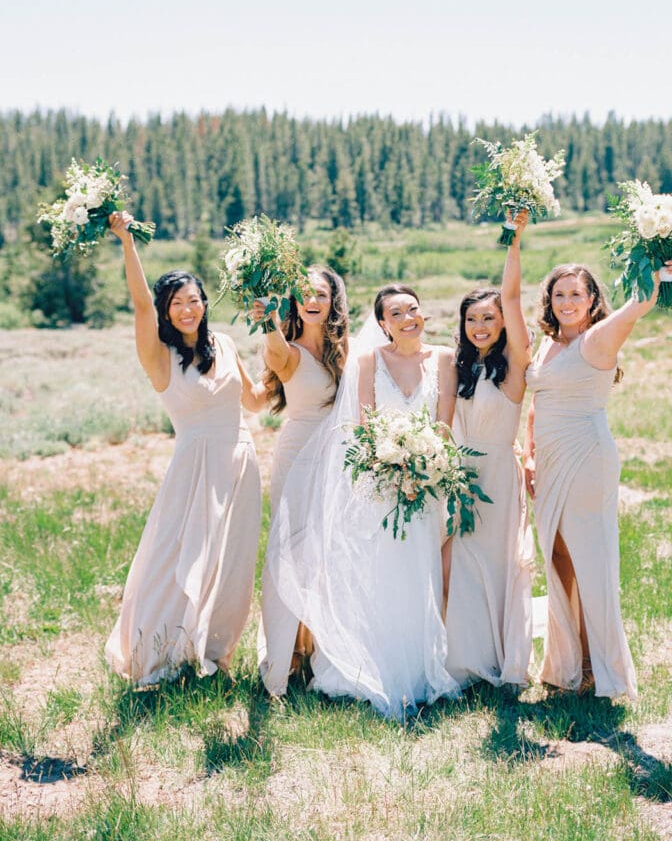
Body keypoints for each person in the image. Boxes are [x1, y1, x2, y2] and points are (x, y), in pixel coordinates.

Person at [265, 284, 461, 718]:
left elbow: (444, 425)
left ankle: (418, 669)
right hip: (382, 483)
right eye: (396, 313)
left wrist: (425, 469)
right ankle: (369, 665)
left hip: (426, 484)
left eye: (413, 308)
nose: (408, 317)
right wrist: (392, 471)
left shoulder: (445, 360)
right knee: (382, 573)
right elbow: (365, 425)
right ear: (383, 323)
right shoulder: (369, 361)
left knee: (419, 573)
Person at [105, 211, 265, 686]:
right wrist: (127, 241)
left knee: (231, 563)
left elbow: (255, 400)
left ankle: (214, 655)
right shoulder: (160, 356)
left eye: (194, 299)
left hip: (240, 461)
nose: (188, 308)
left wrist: (291, 356)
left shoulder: (226, 342)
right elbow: (138, 306)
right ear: (166, 309)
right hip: (194, 466)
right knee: (175, 559)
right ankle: (159, 651)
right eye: (177, 303)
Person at [523, 255, 672, 699]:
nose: (567, 301)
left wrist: (662, 270)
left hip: (587, 457)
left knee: (589, 560)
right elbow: (538, 404)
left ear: (593, 300)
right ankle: (566, 662)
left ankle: (596, 666)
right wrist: (530, 456)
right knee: (558, 558)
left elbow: (640, 304)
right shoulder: (548, 344)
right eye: (559, 294)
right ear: (549, 301)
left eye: (576, 293)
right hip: (550, 462)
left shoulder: (597, 339)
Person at [445, 212, 534, 689]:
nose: (481, 326)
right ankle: (466, 657)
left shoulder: (516, 364)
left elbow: (515, 298)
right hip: (460, 474)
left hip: (499, 473)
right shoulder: (456, 366)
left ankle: (505, 659)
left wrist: (513, 243)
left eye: (490, 318)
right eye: (473, 319)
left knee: (500, 563)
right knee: (464, 563)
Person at [254, 266, 349, 696]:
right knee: (290, 550)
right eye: (305, 293)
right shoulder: (287, 351)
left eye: (322, 293)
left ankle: (321, 648)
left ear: (334, 301)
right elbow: (273, 349)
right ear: (295, 301)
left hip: (336, 457)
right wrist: (266, 321)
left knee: (328, 552)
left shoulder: (346, 351)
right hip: (297, 457)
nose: (313, 299)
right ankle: (286, 652)